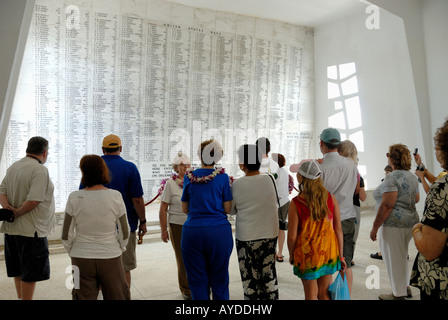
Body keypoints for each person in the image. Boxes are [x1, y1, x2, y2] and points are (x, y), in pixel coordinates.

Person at [80, 134, 146, 287]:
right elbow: (137, 199)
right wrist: (142, 221)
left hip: (96, 227)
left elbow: (83, 194)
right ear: (121, 148)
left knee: (100, 267)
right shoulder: (130, 168)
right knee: (124, 268)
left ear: (102, 149)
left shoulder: (93, 167)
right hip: (125, 226)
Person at [62, 155, 130, 300]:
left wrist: (73, 251)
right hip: (110, 255)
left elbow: (65, 234)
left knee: (81, 296)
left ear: (83, 172)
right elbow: (124, 232)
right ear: (103, 171)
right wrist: (120, 248)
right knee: (117, 295)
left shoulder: (74, 197)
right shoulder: (115, 196)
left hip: (81, 257)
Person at [0, 137, 55, 300]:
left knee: (17, 270)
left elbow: (2, 190)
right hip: (32, 231)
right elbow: (34, 200)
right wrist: (16, 212)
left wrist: (7, 207)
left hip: (11, 230)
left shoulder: (14, 166)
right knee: (30, 274)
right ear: (44, 152)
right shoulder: (39, 170)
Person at [181, 139, 233, 300]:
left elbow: (184, 208)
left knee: (197, 280)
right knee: (220, 278)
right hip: (218, 232)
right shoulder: (223, 178)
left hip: (193, 232)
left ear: (199, 155)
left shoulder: (189, 177)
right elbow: (227, 208)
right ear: (217, 157)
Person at [288, 159, 346, 300]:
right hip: (328, 252)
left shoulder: (296, 203)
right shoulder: (330, 198)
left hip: (307, 255)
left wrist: (291, 254)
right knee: (323, 293)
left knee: (311, 295)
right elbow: (338, 229)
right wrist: (341, 255)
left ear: (300, 177)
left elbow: (292, 236)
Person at [370, 144, 419, 300]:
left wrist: (374, 227)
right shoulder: (412, 176)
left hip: (393, 224)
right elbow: (416, 199)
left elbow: (387, 205)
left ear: (391, 158)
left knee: (393, 259)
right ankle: (404, 287)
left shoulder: (391, 177)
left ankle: (398, 295)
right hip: (410, 222)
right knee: (402, 256)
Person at [231, 144, 279, 300]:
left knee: (250, 280)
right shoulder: (270, 179)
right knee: (268, 276)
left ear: (243, 164)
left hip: (247, 238)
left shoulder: (237, 184)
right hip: (270, 235)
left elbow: (231, 210)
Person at [410, 117, 448, 300]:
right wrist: (422, 168)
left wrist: (417, 229)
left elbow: (430, 249)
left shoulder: (442, 188)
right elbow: (437, 181)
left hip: (442, 282)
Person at [316, 128, 357, 294]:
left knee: (324, 267)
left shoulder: (321, 167)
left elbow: (317, 196)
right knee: (345, 262)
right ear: (338, 144)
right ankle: (344, 297)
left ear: (321, 144)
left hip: (326, 220)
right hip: (347, 216)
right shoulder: (351, 164)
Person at [159, 152, 191, 300]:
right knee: (182, 258)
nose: (185, 167)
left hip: (194, 224)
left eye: (187, 164)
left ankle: (198, 284)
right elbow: (163, 208)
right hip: (177, 225)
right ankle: (185, 288)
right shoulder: (170, 184)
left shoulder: (194, 181)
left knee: (196, 257)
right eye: (182, 164)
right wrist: (164, 230)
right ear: (176, 167)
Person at [338, 140, 366, 265]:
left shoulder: (336, 170)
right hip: (353, 207)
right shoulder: (356, 173)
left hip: (337, 206)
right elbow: (361, 195)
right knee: (351, 236)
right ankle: (348, 259)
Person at [370, 164, 393, 260]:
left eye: (387, 172)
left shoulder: (389, 183)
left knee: (385, 234)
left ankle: (383, 253)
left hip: (385, 213)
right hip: (386, 212)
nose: (385, 174)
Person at [271, 153, 290, 263]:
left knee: (274, 229)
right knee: (281, 228)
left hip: (276, 202)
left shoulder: (274, 172)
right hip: (285, 201)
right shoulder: (285, 172)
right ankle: (280, 253)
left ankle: (274, 252)